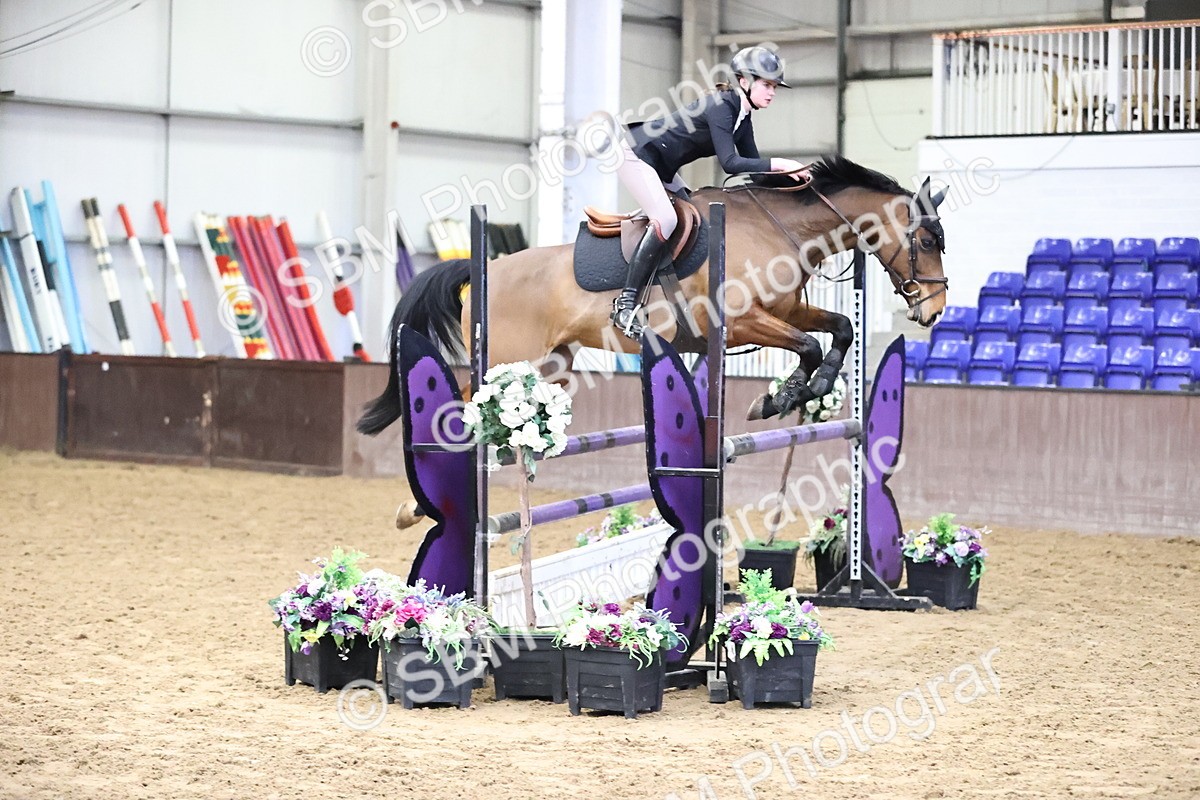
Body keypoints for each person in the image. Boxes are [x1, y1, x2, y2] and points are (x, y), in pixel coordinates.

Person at [609, 46, 810, 339]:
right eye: (767, 84)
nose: (772, 93)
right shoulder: (721, 106)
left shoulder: (742, 116)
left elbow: (755, 175)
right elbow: (730, 163)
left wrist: (798, 183)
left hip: (661, 166)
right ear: (744, 81)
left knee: (694, 218)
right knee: (666, 220)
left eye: (775, 87)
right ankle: (625, 304)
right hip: (635, 155)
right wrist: (782, 163)